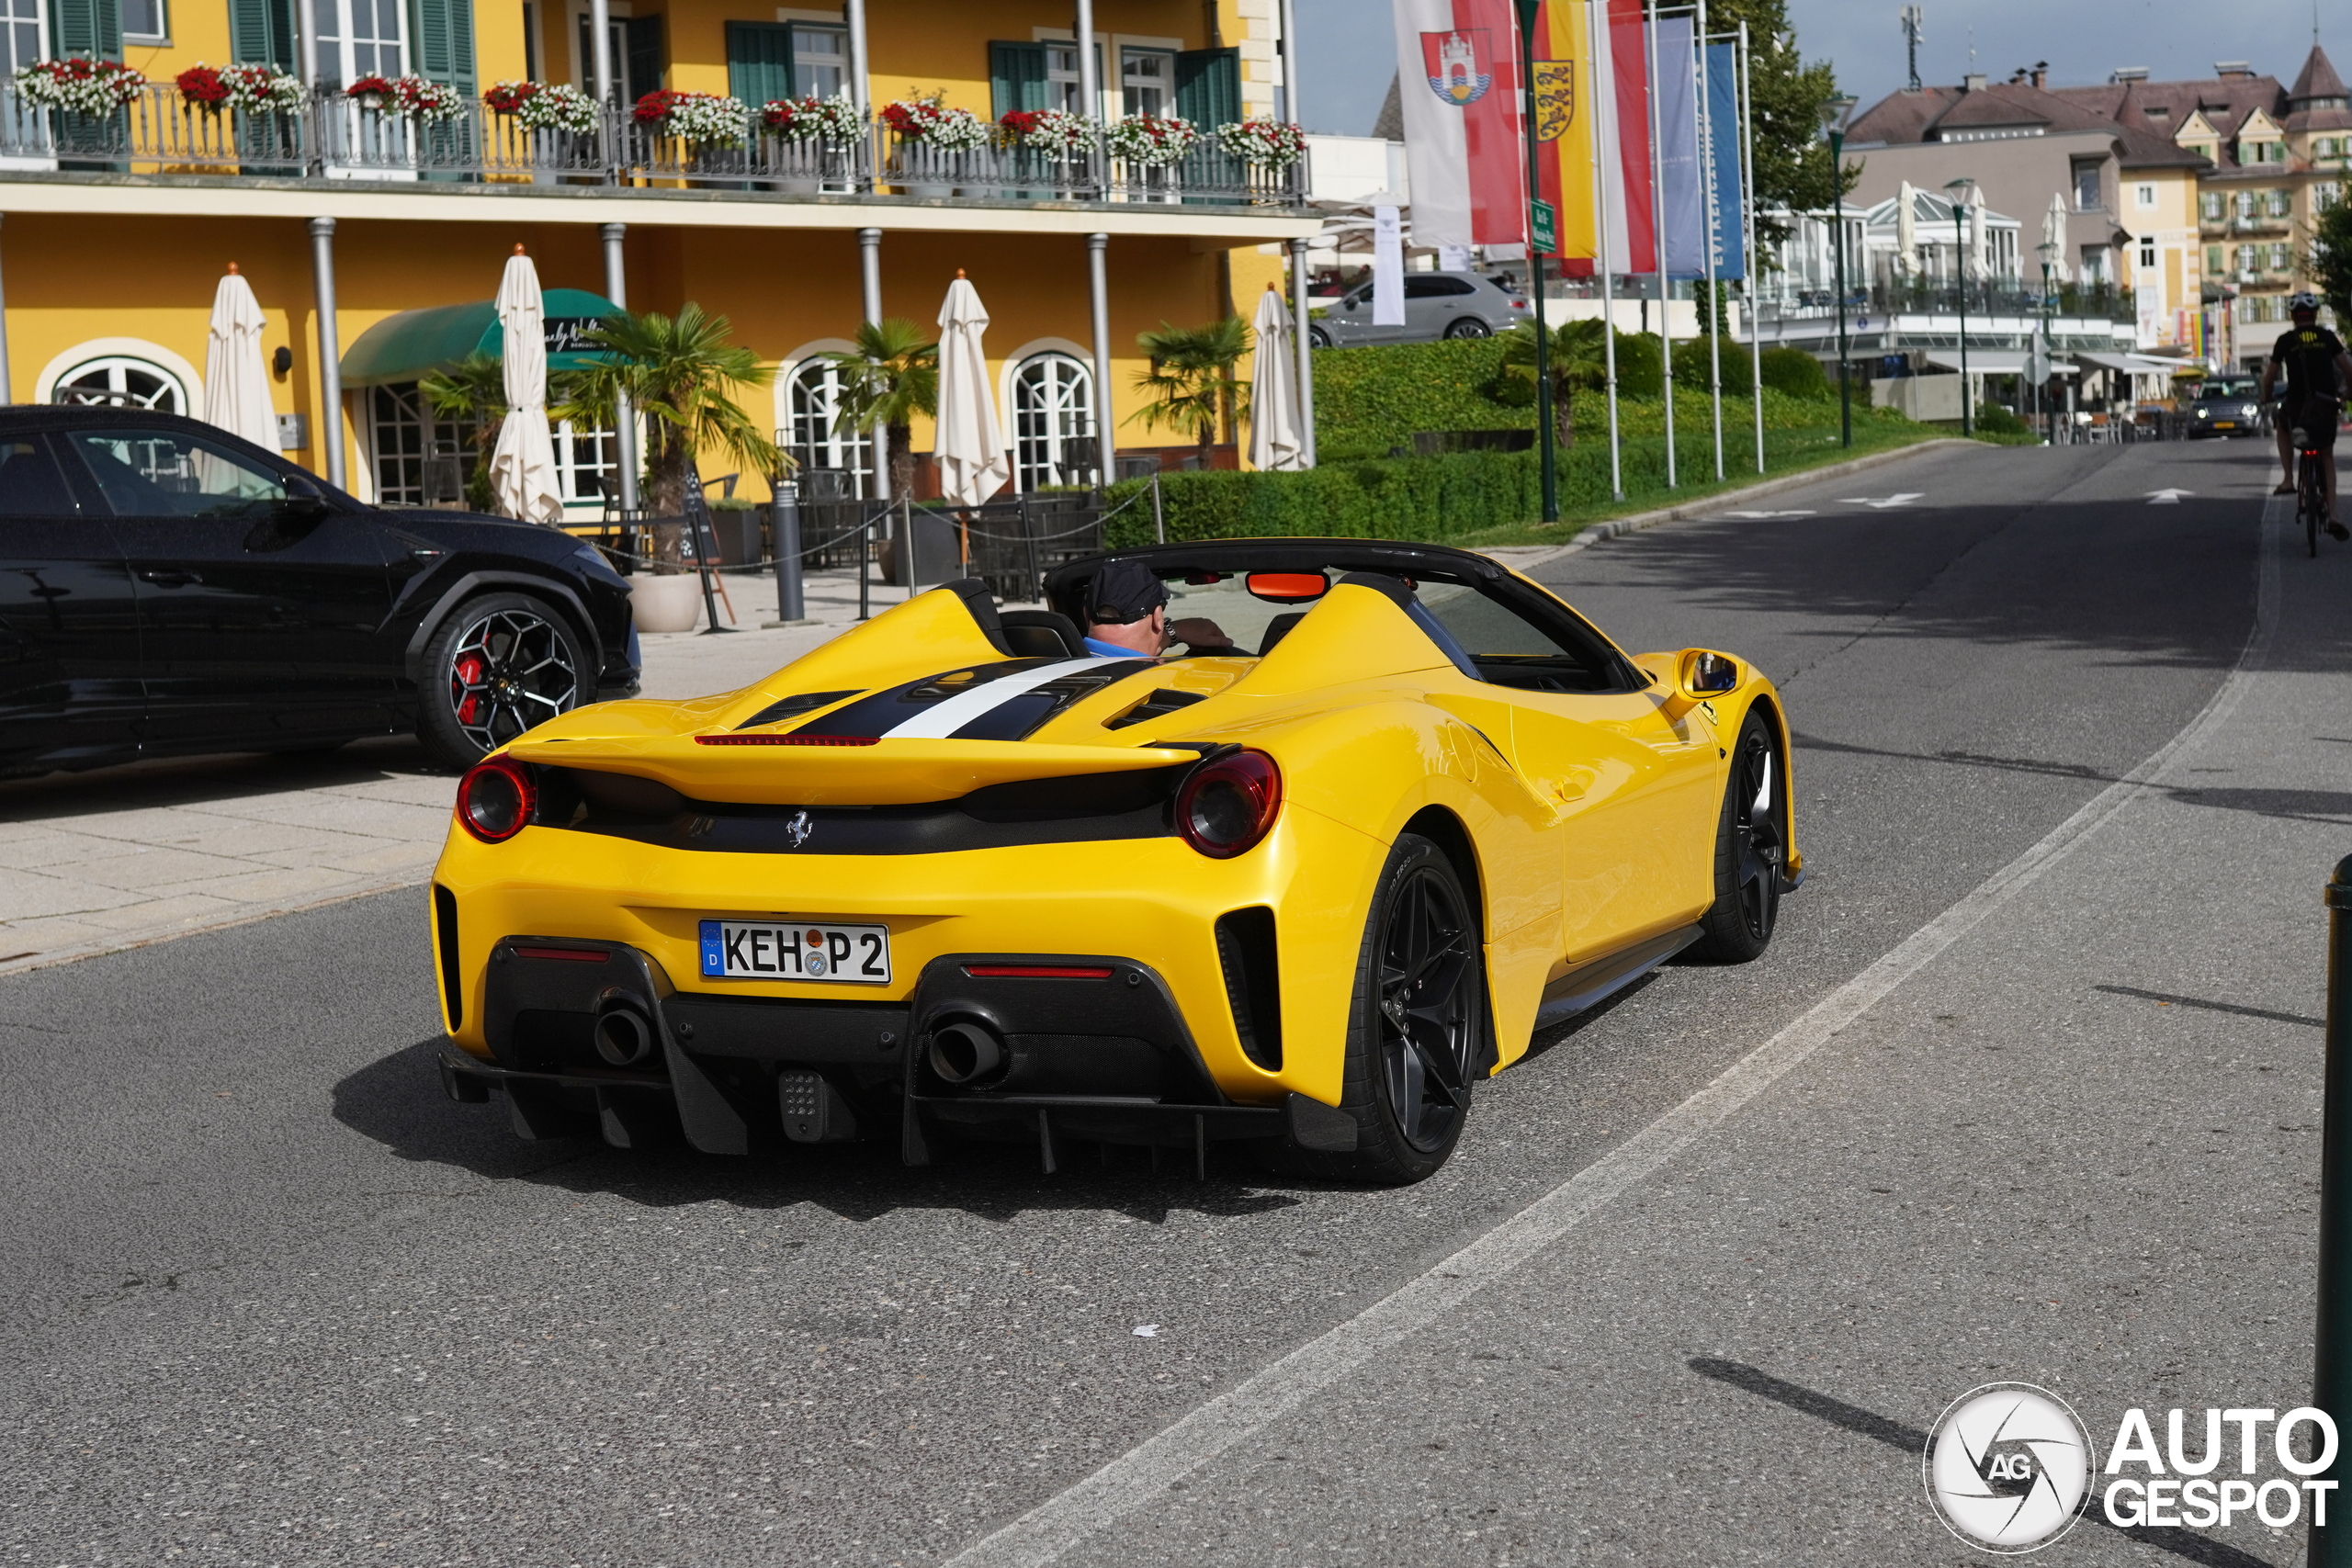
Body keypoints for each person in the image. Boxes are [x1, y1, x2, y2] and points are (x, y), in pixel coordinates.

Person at [2259, 292, 2352, 538]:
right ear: (2314, 314)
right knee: (2326, 456)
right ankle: (2333, 515)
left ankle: (2289, 478)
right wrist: (2347, 392)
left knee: (2282, 427)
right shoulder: (2327, 337)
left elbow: (2270, 377)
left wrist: (2265, 396)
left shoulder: (2286, 341)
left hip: (2297, 405)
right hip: (2325, 405)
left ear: (2292, 316)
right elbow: (2347, 369)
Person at [1081, 558, 1235, 657]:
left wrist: (1174, 632)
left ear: (1086, 616)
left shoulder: (1063, 665)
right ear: (1158, 617)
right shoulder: (1160, 689)